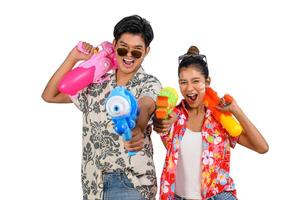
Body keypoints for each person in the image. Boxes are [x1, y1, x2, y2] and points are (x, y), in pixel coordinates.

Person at [42, 15, 162, 200]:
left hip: (131, 182)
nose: (129, 56)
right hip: (93, 184)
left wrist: (136, 127)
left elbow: (145, 106)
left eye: (137, 51)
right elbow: (50, 95)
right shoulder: (95, 83)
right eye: (123, 48)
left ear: (146, 51)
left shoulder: (149, 84)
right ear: (114, 45)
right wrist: (74, 57)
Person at [153, 46, 269, 200]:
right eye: (183, 82)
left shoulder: (220, 119)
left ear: (207, 82)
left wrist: (236, 110)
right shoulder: (173, 116)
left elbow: (262, 147)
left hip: (218, 196)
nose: (189, 88)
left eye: (196, 81)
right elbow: (157, 122)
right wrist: (162, 120)